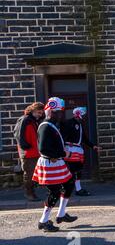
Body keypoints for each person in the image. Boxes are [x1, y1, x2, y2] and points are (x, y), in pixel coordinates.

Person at [32, 97, 77, 232]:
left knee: (69, 183)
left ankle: (61, 214)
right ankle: (43, 221)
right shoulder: (45, 126)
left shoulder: (51, 125)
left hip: (56, 162)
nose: (60, 115)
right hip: (50, 162)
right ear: (50, 111)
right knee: (54, 192)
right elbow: (43, 148)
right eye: (57, 112)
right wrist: (63, 154)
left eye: (60, 112)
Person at [61, 107, 101, 196]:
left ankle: (78, 189)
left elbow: (84, 138)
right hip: (70, 150)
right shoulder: (68, 123)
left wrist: (93, 146)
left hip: (77, 150)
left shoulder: (80, 124)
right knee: (71, 170)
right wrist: (64, 147)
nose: (82, 117)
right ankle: (66, 189)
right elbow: (62, 136)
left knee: (77, 170)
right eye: (82, 115)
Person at [14, 102, 45, 201]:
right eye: (38, 112)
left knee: (32, 174)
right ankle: (29, 193)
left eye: (41, 113)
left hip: (33, 152)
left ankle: (31, 192)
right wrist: (26, 147)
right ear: (33, 111)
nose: (40, 115)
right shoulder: (25, 120)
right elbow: (18, 134)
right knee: (29, 174)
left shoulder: (32, 120)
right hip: (28, 153)